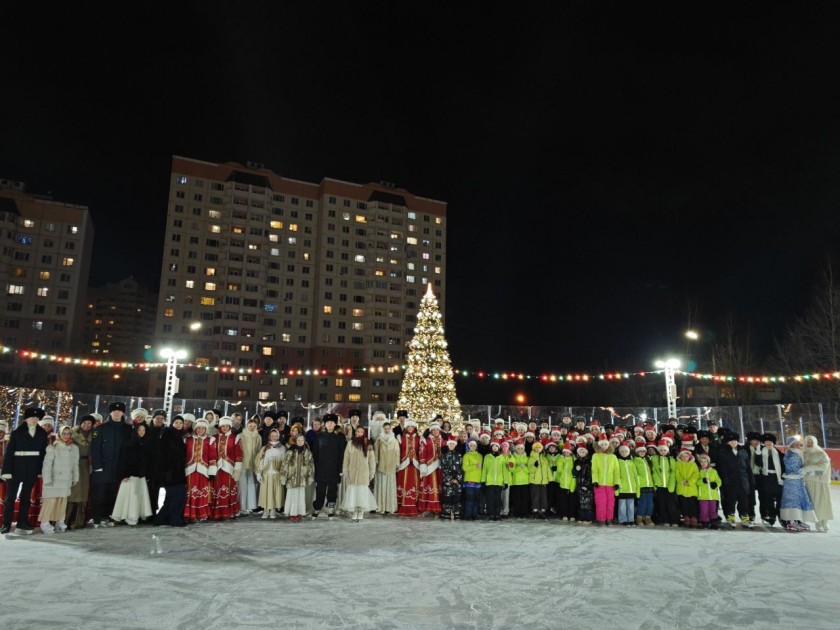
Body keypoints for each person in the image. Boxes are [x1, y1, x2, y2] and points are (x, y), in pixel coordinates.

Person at [2, 408, 49, 534]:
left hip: (32, 468)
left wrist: (40, 470)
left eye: (37, 418)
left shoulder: (42, 433)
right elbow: (9, 452)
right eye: (32, 417)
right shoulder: (17, 432)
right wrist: (6, 470)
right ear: (26, 419)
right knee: (10, 497)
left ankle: (22, 522)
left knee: (26, 497)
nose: (34, 419)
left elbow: (43, 453)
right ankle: (6, 524)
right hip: (16, 468)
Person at [90, 402, 131, 528]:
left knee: (113, 494)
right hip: (103, 468)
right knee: (100, 494)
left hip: (118, 468)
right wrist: (97, 466)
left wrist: (126, 469)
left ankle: (108, 516)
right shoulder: (101, 428)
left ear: (123, 413)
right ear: (110, 413)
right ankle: (97, 518)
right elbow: (95, 449)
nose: (117, 413)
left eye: (119, 411)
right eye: (114, 411)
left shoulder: (128, 429)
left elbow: (130, 450)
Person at [38, 425, 79, 534]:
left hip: (66, 480)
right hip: (54, 479)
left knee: (62, 502)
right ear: (59, 434)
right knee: (50, 502)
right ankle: (45, 522)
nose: (66, 436)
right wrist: (47, 479)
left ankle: (60, 521)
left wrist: (75, 477)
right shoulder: (53, 447)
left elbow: (75, 465)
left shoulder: (74, 448)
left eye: (68, 433)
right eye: (64, 433)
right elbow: (47, 465)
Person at [111, 423, 153, 526]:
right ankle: (130, 517)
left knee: (138, 496)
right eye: (139, 430)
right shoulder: (129, 444)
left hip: (141, 475)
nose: (142, 432)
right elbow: (123, 460)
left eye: (143, 430)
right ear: (135, 431)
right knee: (131, 496)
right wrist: (124, 474)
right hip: (130, 475)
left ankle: (136, 516)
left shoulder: (147, 443)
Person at [154, 415, 188, 527]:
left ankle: (161, 519)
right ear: (172, 423)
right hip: (170, 473)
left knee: (172, 497)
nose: (178, 425)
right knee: (177, 497)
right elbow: (162, 454)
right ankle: (175, 520)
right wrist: (167, 471)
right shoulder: (167, 434)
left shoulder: (179, 436)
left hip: (178, 473)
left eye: (180, 423)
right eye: (176, 422)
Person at [717, 432, 754, 528]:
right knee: (730, 499)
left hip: (743, 480)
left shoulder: (743, 451)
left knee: (744, 500)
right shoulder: (723, 452)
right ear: (727, 442)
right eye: (731, 441)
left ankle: (744, 516)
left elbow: (748, 467)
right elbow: (722, 468)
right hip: (730, 480)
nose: (733, 442)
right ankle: (730, 516)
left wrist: (751, 480)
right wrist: (725, 479)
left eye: (735, 440)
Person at [183, 417, 217, 523]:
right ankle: (189, 514)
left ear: (206, 429)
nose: (200, 430)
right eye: (198, 428)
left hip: (203, 471)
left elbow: (212, 456)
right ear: (195, 429)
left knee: (201, 492)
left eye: (203, 428)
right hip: (189, 470)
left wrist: (212, 471)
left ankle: (200, 514)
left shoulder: (210, 440)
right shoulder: (187, 439)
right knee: (189, 492)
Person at [780, 436, 817, 531]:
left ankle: (798, 519)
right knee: (792, 501)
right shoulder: (790, 455)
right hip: (792, 481)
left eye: (797, 443)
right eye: (795, 444)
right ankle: (791, 521)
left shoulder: (797, 453)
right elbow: (793, 468)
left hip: (797, 480)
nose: (797, 445)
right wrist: (805, 471)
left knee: (799, 500)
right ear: (791, 445)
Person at [341, 427, 378, 522]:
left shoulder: (368, 444)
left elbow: (372, 460)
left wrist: (372, 472)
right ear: (355, 432)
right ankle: (355, 511)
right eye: (358, 431)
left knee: (361, 493)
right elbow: (346, 458)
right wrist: (346, 470)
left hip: (363, 472)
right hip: (352, 472)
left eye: (361, 432)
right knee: (354, 493)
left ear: (364, 433)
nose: (359, 433)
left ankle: (361, 511)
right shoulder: (350, 443)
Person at [312, 413, 344, 519]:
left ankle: (331, 509)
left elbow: (341, 454)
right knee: (320, 489)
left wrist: (340, 469)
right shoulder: (319, 436)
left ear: (335, 424)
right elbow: (315, 453)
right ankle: (317, 508)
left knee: (332, 490)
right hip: (321, 468)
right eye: (328, 422)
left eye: (332, 422)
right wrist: (315, 468)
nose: (329, 424)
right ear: (325, 424)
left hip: (334, 468)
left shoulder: (340, 437)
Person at [65, 414, 94, 529]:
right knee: (73, 492)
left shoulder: (94, 435)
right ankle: (67, 520)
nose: (86, 425)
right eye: (84, 423)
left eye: (89, 423)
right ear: (80, 424)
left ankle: (79, 521)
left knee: (83, 492)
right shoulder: (72, 435)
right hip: (74, 465)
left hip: (86, 466)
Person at [211, 416, 242, 521]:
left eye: (227, 426)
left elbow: (238, 454)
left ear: (230, 426)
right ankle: (216, 512)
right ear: (220, 426)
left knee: (228, 488)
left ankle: (228, 512)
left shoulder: (235, 437)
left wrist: (237, 468)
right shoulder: (214, 437)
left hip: (229, 468)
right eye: (223, 426)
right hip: (216, 468)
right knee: (216, 489)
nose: (224, 428)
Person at [802, 435, 833, 533]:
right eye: (808, 442)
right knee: (814, 503)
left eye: (811, 442)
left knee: (823, 502)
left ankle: (825, 521)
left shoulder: (820, 453)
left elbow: (824, 466)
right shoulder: (803, 453)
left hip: (820, 481)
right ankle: (818, 522)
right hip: (809, 481)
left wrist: (808, 468)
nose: (809, 444)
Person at [280, 434, 314, 522]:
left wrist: (310, 476)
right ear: (295, 441)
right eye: (298, 440)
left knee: (300, 496)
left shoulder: (307, 452)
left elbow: (311, 465)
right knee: (292, 496)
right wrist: (283, 476)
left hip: (302, 479)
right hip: (292, 479)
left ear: (304, 441)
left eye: (302, 440)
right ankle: (292, 513)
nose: (300, 442)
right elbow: (285, 464)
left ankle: (299, 512)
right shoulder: (290, 451)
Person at [755, 433, 784, 527]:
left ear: (773, 443)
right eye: (766, 442)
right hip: (766, 477)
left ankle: (781, 516)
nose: (768, 443)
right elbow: (758, 464)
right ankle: (771, 516)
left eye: (770, 442)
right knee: (768, 498)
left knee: (780, 498)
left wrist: (782, 477)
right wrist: (758, 454)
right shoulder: (761, 452)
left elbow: (783, 465)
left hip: (777, 478)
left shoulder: (778, 453)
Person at [256, 428, 285, 519]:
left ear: (278, 436)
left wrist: (283, 474)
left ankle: (273, 510)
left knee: (275, 493)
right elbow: (260, 460)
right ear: (269, 436)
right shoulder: (265, 448)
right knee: (266, 492)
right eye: (272, 436)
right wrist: (259, 472)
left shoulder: (282, 448)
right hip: (266, 473)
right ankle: (265, 510)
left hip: (276, 473)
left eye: (276, 436)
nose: (274, 437)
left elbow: (284, 462)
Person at [591, 433, 619, 526]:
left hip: (610, 484)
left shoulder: (613, 457)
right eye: (602, 445)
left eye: (605, 444)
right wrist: (595, 480)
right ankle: (601, 519)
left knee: (610, 502)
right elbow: (594, 469)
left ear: (608, 445)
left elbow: (616, 471)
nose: (604, 447)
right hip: (600, 484)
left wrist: (616, 482)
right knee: (601, 502)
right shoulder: (595, 456)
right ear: (599, 445)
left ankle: (609, 519)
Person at [373, 420, 399, 515]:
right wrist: (375, 463)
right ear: (383, 429)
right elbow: (376, 453)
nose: (387, 430)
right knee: (381, 486)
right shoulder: (379, 440)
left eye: (388, 429)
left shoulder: (394, 441)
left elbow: (397, 453)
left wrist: (397, 464)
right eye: (385, 429)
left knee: (390, 487)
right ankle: (380, 506)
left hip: (391, 467)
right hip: (381, 467)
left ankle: (389, 507)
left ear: (390, 429)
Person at [651, 440, 679, 527]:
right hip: (660, 486)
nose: (662, 452)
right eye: (661, 450)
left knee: (671, 504)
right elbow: (654, 471)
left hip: (669, 486)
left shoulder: (672, 460)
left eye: (664, 450)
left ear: (667, 450)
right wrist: (657, 483)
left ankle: (674, 520)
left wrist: (671, 485)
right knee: (661, 504)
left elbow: (673, 473)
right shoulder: (655, 459)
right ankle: (664, 519)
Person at [396, 419, 421, 516]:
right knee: (403, 484)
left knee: (414, 484)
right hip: (404, 465)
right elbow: (397, 452)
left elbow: (420, 451)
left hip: (415, 466)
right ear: (405, 428)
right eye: (408, 426)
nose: (410, 428)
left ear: (414, 427)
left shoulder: (419, 438)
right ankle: (401, 505)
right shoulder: (400, 438)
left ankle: (414, 504)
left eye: (412, 426)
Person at [418, 422, 444, 514]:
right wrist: (423, 464)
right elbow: (422, 453)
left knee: (439, 484)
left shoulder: (443, 440)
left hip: (440, 467)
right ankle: (428, 507)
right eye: (434, 430)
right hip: (429, 467)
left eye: (437, 430)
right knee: (430, 485)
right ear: (431, 431)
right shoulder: (426, 440)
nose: (436, 431)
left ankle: (438, 507)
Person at [238, 417, 262, 515]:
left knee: (252, 485)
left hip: (253, 464)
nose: (252, 428)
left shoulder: (258, 437)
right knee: (242, 486)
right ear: (247, 426)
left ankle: (250, 506)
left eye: (254, 426)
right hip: (243, 464)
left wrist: (257, 464)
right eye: (250, 426)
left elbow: (259, 451)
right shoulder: (241, 436)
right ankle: (241, 506)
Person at [481, 441, 509, 521]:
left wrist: (505, 482)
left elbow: (504, 471)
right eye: (493, 446)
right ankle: (491, 514)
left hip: (499, 482)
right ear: (491, 447)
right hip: (489, 482)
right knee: (490, 499)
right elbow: (484, 469)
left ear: (498, 448)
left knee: (498, 499)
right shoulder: (487, 457)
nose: (495, 448)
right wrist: (483, 480)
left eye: (496, 446)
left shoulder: (502, 457)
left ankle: (497, 514)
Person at [440, 433, 463, 520]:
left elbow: (461, 468)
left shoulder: (459, 455)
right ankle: (446, 513)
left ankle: (457, 513)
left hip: (457, 482)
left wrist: (457, 479)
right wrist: (449, 479)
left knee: (457, 497)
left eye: (453, 444)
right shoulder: (444, 456)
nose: (451, 445)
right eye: (450, 444)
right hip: (448, 481)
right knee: (447, 497)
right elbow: (443, 469)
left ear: (455, 445)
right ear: (448, 445)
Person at [674, 448, 699, 528]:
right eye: (683, 456)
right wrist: (682, 481)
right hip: (682, 487)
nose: (684, 458)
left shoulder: (693, 464)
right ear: (680, 457)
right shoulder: (677, 464)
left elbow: (696, 474)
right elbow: (677, 474)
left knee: (692, 504)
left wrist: (690, 482)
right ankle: (686, 517)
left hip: (691, 488)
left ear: (689, 456)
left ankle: (693, 517)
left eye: (686, 456)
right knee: (684, 504)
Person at [615, 443, 639, 526]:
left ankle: (631, 519)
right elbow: (616, 474)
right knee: (622, 505)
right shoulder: (618, 461)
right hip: (622, 488)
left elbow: (635, 475)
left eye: (626, 451)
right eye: (622, 451)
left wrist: (636, 487)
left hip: (631, 488)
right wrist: (617, 485)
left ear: (628, 452)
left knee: (630, 504)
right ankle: (623, 519)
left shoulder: (631, 462)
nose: (624, 453)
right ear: (619, 452)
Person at [696, 453, 722, 529]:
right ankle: (705, 523)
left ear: (708, 462)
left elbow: (719, 481)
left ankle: (714, 523)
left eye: (705, 461)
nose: (703, 463)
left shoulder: (713, 471)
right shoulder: (699, 471)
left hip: (713, 495)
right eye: (701, 461)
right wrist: (702, 481)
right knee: (704, 510)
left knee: (713, 510)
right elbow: (696, 482)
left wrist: (716, 484)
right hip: (703, 495)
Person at [527, 441, 550, 519]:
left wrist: (550, 478)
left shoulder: (544, 459)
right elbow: (529, 470)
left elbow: (547, 469)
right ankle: (535, 511)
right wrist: (534, 466)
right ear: (534, 449)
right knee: (535, 496)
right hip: (534, 481)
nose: (538, 449)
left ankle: (543, 511)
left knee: (543, 497)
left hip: (543, 481)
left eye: (539, 447)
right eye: (536, 447)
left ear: (542, 449)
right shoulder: (531, 458)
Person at [461, 439, 483, 521]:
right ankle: (468, 515)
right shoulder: (466, 455)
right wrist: (475, 466)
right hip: (469, 481)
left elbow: (481, 469)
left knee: (476, 499)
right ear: (468, 447)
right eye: (471, 445)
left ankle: (475, 515)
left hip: (478, 481)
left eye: (474, 445)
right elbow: (465, 468)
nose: (473, 447)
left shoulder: (480, 456)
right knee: (469, 499)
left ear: (476, 446)